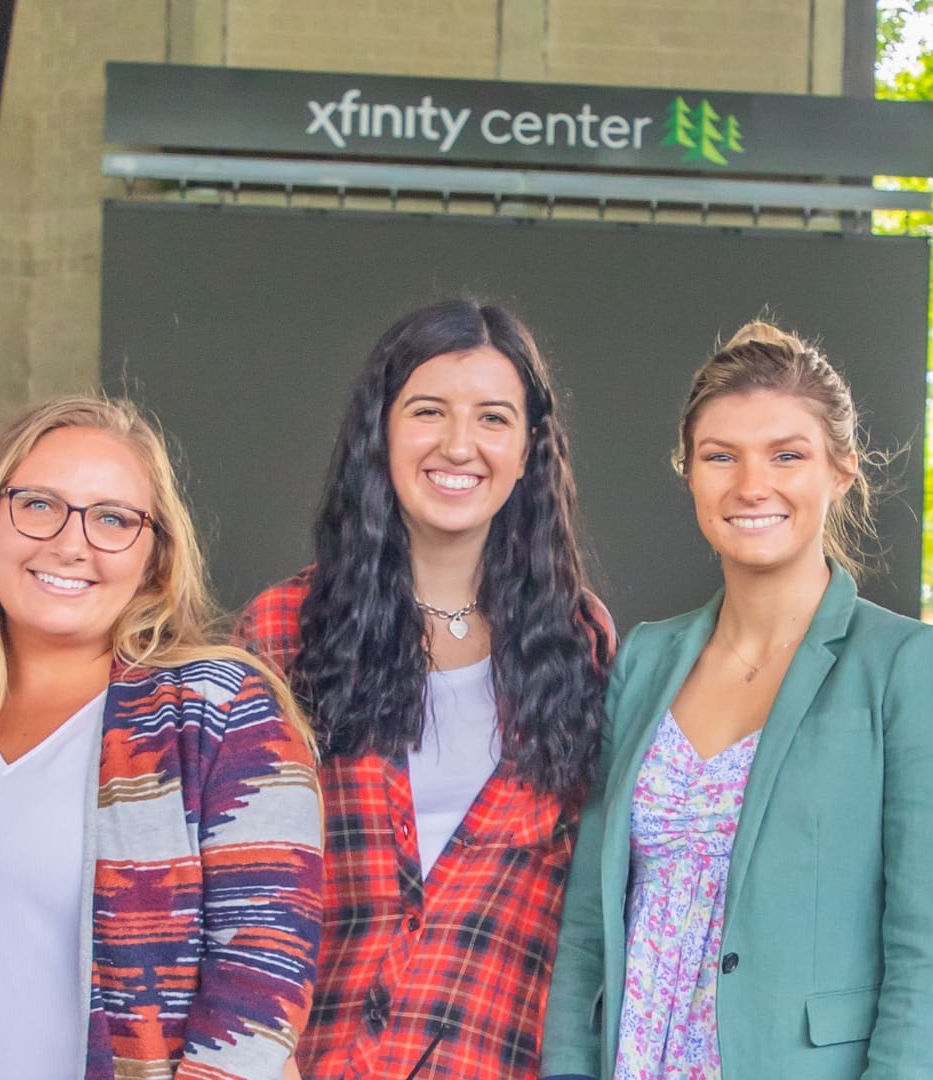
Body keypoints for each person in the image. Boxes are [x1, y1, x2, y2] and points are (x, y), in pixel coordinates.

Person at [542, 321, 933, 1080]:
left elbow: (932, 958)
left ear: (841, 471)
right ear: (688, 471)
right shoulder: (645, 658)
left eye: (788, 455)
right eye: (722, 456)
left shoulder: (913, 668)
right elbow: (586, 923)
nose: (753, 485)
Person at [0, 395, 323, 1080]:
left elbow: (262, 974)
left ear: (155, 556)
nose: (71, 544)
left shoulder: (216, 712)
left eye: (112, 520)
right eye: (38, 505)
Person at [233, 299, 613, 1079]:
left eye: (493, 419)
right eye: (428, 411)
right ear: (382, 429)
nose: (458, 445)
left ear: (529, 449)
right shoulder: (281, 632)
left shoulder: (583, 644)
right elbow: (231, 895)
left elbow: (588, 922)